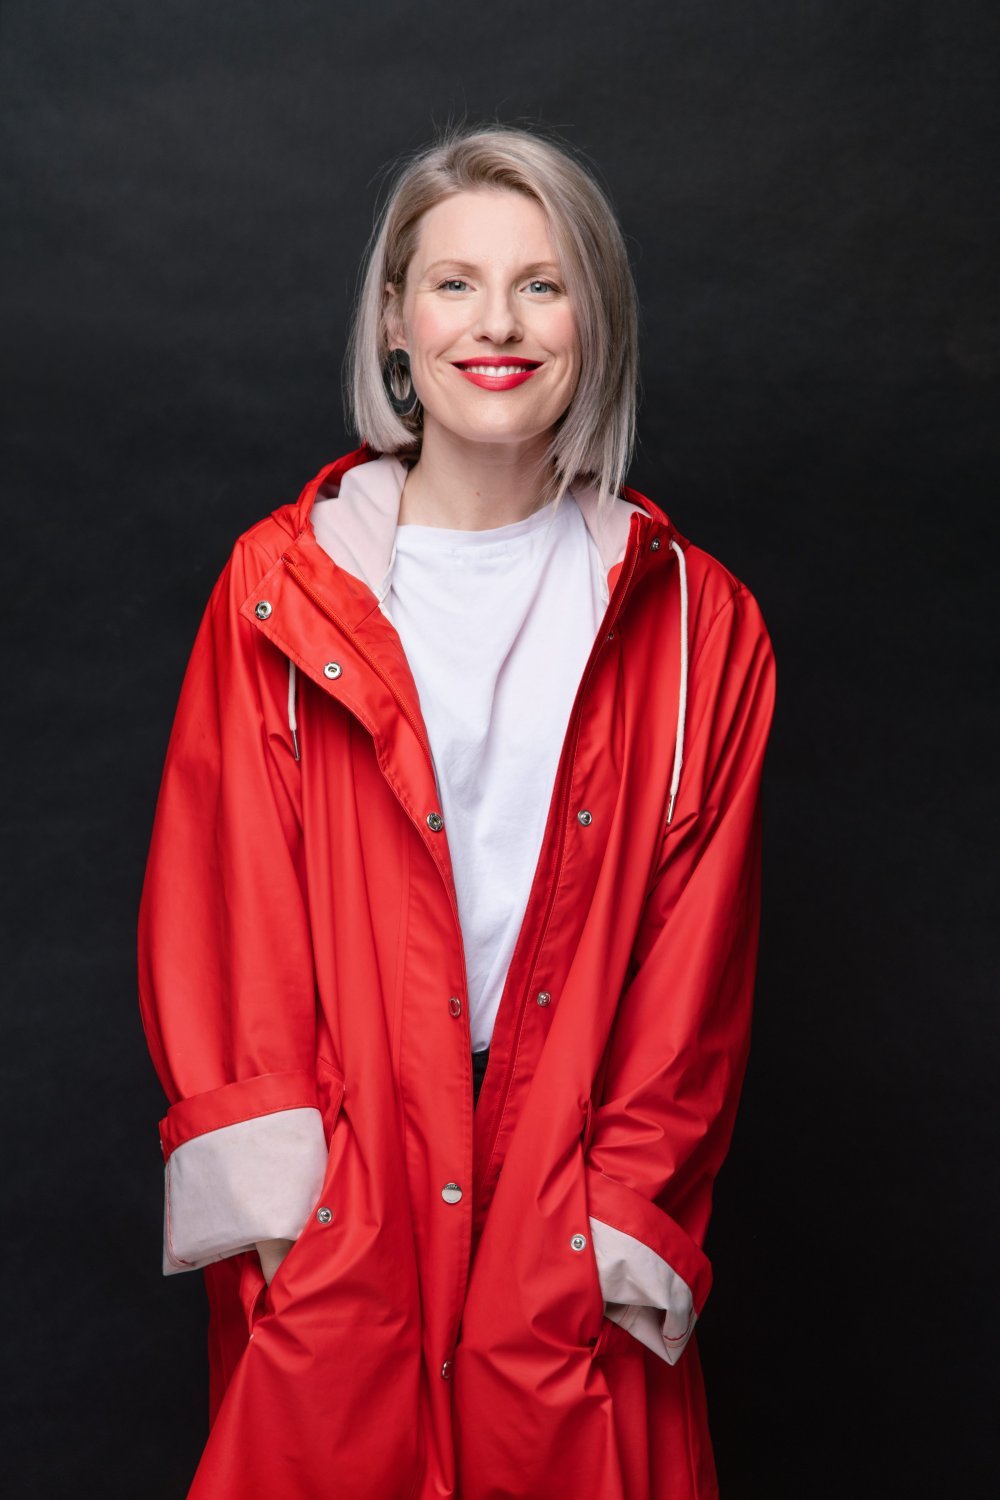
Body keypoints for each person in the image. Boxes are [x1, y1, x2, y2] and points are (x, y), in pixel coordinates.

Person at [137, 121, 777, 1500]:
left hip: (570, 1189)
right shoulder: (279, 591)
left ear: (595, 323)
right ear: (395, 320)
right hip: (348, 1185)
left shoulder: (696, 626)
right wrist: (292, 1231)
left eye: (543, 285)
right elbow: (224, 912)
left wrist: (615, 1223)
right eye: (455, 283)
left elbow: (696, 973)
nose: (498, 324)